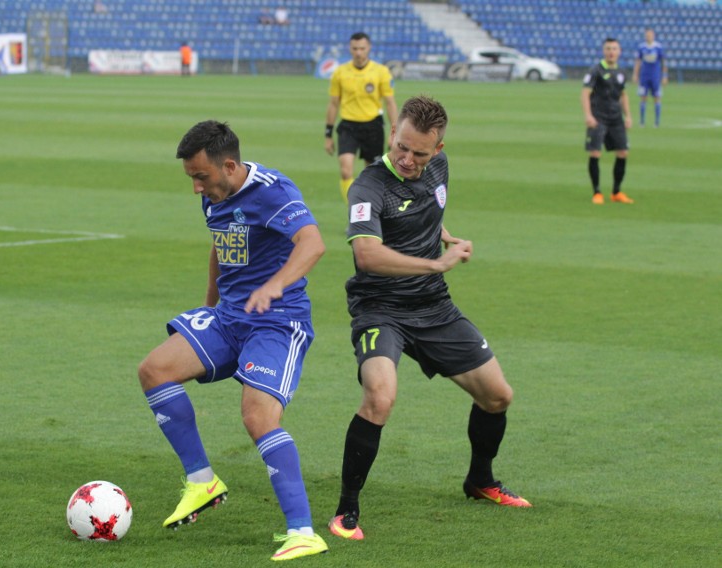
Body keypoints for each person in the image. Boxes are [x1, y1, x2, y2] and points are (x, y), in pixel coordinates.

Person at [328, 95, 532, 543]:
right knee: (379, 397)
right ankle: (346, 512)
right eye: (401, 146)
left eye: (419, 152)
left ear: (437, 149)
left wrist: (442, 234)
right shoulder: (369, 185)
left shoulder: (439, 168)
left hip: (433, 307)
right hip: (380, 306)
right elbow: (366, 254)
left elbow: (426, 208)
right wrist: (437, 264)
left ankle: (480, 481)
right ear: (394, 133)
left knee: (498, 396)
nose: (406, 158)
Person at [137, 120, 329, 561]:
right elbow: (219, 244)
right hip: (228, 318)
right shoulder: (213, 195)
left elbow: (312, 244)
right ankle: (202, 481)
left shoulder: (273, 191)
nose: (196, 188)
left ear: (228, 165)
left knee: (257, 415)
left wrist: (275, 285)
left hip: (276, 321)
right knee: (154, 370)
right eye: (190, 178)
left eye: (200, 177)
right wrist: (209, 302)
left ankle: (303, 531)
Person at [324, 32, 398, 202]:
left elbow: (390, 103)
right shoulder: (340, 72)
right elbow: (333, 104)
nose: (358, 52)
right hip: (348, 126)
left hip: (373, 126)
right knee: (345, 171)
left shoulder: (381, 72)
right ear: (350, 49)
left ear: (369, 48)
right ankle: (353, 213)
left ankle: (369, 213)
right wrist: (328, 134)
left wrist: (395, 132)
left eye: (362, 48)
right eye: (355, 48)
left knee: (372, 173)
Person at [581, 37, 633, 205]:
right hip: (598, 117)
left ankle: (616, 192)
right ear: (604, 51)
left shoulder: (622, 72)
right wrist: (588, 115)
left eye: (614, 49)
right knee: (595, 152)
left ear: (619, 52)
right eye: (608, 49)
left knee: (623, 152)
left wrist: (628, 116)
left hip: (616, 118)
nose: (611, 52)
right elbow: (585, 93)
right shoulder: (595, 70)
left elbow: (623, 95)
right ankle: (597, 192)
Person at [632, 28, 667, 128]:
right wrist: (635, 74)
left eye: (650, 35)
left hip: (655, 76)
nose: (648, 37)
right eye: (647, 35)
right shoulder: (641, 47)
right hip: (644, 76)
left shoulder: (658, 47)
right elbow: (638, 62)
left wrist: (664, 76)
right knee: (643, 98)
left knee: (657, 98)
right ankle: (642, 122)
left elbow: (663, 62)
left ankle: (657, 122)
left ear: (653, 35)